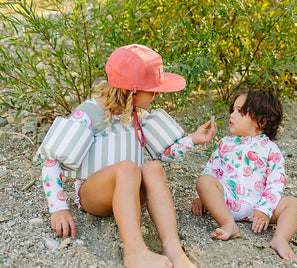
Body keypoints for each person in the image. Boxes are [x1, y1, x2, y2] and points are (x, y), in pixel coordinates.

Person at [40, 44, 217, 268]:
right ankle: (134, 252)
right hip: (95, 195)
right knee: (127, 167)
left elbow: (163, 153)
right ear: (131, 91)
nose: (157, 94)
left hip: (132, 193)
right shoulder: (87, 114)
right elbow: (51, 160)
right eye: (152, 90)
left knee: (153, 167)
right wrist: (59, 208)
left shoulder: (138, 114)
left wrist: (193, 139)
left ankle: (173, 248)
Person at [189, 88, 297, 261]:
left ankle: (280, 238)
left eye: (240, 111)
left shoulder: (270, 149)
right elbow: (212, 170)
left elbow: (276, 182)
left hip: (257, 206)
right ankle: (228, 223)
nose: (232, 115)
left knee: (293, 204)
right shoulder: (225, 143)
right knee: (204, 181)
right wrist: (200, 197)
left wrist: (264, 209)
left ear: (261, 121)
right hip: (226, 201)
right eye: (233, 110)